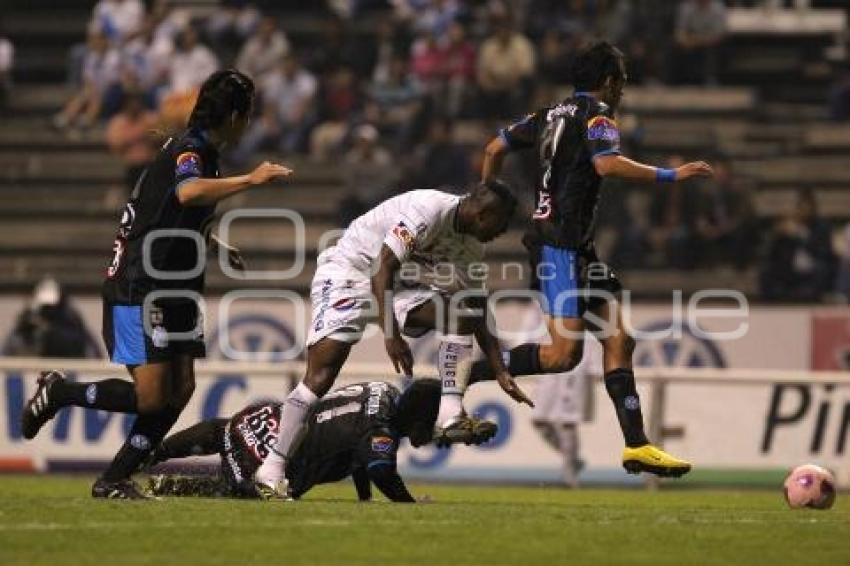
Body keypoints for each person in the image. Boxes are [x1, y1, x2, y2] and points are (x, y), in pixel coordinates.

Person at [20, 70, 293, 499]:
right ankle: (60, 391)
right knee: (151, 399)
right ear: (236, 115)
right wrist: (250, 179)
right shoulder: (190, 150)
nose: (250, 123)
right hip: (140, 285)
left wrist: (214, 242)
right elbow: (187, 194)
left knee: (181, 388)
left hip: (176, 287)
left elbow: (166, 212)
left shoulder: (206, 154)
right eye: (249, 114)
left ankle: (114, 478)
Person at [477, 41, 714, 478]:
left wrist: (485, 198)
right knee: (561, 357)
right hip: (559, 249)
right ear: (609, 81)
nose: (622, 88)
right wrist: (670, 175)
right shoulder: (600, 116)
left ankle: (637, 445)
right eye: (621, 79)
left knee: (620, 340)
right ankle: (473, 371)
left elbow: (493, 149)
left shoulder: (546, 114)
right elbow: (605, 166)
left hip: (576, 248)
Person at [254, 181, 533, 499]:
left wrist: (500, 369)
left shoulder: (469, 247)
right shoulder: (429, 209)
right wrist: (392, 335)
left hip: (396, 285)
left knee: (461, 311)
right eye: (501, 224)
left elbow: (478, 305)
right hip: (348, 273)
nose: (501, 233)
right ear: (484, 214)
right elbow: (381, 267)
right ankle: (271, 469)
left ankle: (450, 414)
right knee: (319, 378)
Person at [145, 379, 442, 502]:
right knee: (243, 489)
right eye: (432, 421)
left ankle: (153, 454)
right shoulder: (381, 432)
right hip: (272, 464)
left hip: (266, 421)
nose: (433, 430)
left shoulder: (384, 390)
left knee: (222, 431)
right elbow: (380, 470)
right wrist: (409, 504)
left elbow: (360, 452)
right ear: (419, 418)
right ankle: (185, 485)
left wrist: (364, 498)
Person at [531, 337, 602, 488]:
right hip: (550, 373)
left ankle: (570, 477)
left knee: (567, 423)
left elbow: (596, 364)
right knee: (538, 420)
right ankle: (573, 460)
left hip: (575, 374)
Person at [2, 277, 100, 359]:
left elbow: (87, 345)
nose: (48, 309)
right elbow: (9, 348)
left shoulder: (70, 317)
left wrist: (51, 331)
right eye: (45, 306)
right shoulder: (29, 317)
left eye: (51, 306)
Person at [105, 92, 158, 193]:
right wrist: (136, 135)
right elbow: (115, 143)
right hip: (128, 166)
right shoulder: (118, 122)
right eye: (131, 103)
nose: (134, 106)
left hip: (149, 164)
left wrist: (146, 132)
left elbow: (160, 133)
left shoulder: (149, 118)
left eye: (137, 102)